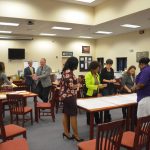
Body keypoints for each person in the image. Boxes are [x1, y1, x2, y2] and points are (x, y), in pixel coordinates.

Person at [60, 57, 83, 142]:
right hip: (69, 96)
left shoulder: (66, 71)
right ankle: (76, 135)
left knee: (66, 113)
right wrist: (79, 85)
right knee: (73, 115)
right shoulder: (69, 72)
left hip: (65, 96)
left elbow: (68, 83)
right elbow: (71, 86)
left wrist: (76, 81)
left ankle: (66, 132)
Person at [85, 61, 107, 125]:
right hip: (89, 94)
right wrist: (98, 86)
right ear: (93, 68)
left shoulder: (97, 75)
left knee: (96, 108)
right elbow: (88, 85)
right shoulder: (88, 74)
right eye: (97, 68)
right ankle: (89, 122)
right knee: (89, 109)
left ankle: (98, 122)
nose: (98, 69)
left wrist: (102, 85)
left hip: (95, 94)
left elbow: (98, 84)